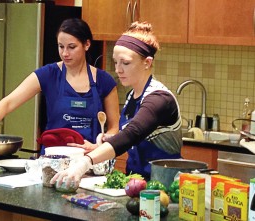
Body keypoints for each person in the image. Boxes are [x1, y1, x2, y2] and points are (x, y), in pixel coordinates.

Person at [51, 21, 183, 187]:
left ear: (147, 63)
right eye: (116, 62)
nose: (118, 70)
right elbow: (129, 136)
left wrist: (85, 162)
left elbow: (132, 134)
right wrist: (103, 142)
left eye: (125, 63)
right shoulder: (132, 96)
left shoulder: (159, 99)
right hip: (136, 183)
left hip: (164, 187)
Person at [0, 18, 120, 155]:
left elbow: (114, 128)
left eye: (71, 47)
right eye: (61, 46)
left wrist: (99, 146)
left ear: (86, 44)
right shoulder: (48, 74)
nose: (65, 53)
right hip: (53, 161)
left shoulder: (104, 81)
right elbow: (9, 102)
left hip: (91, 161)